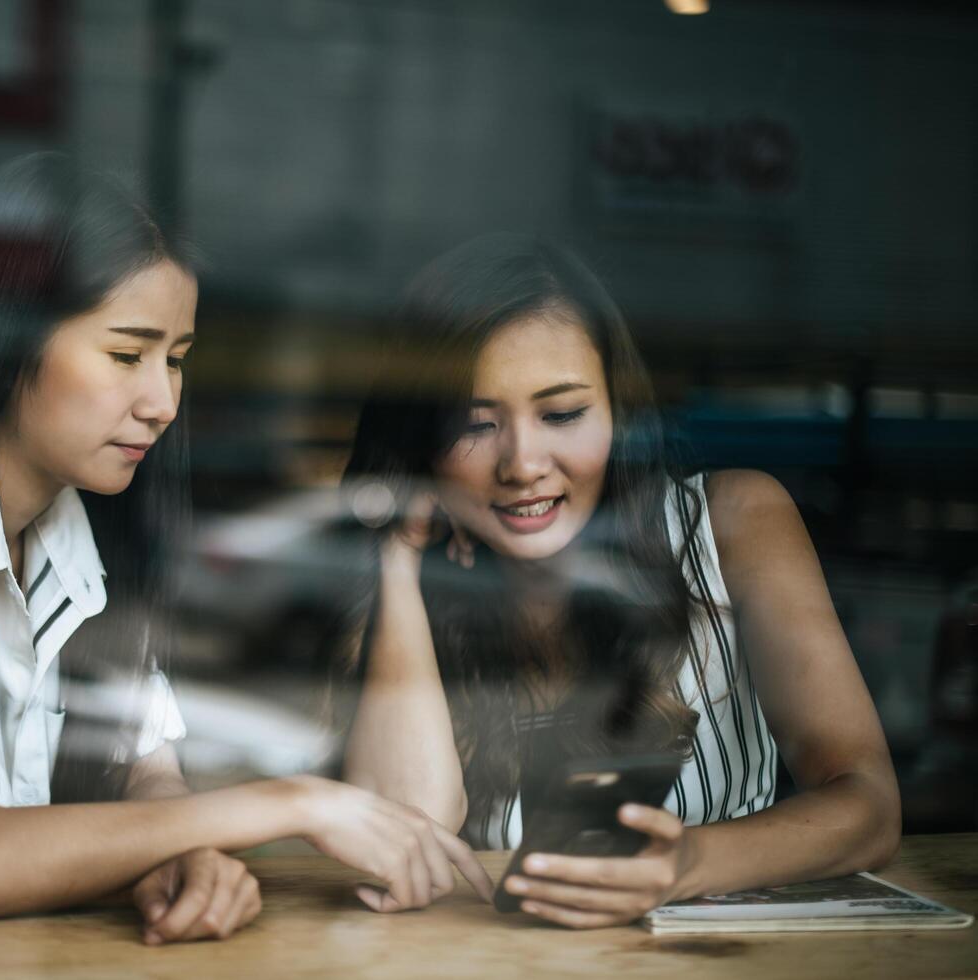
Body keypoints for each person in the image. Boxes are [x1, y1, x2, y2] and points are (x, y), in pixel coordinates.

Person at [0, 154, 493, 942]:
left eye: (175, 360)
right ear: (10, 344)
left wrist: (176, 851)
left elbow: (145, 766)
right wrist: (290, 802)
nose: (161, 403)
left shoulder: (79, 533)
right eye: (126, 355)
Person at [337, 236, 900, 929]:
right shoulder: (413, 584)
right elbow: (404, 835)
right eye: (472, 424)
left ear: (617, 414)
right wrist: (396, 554)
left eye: (562, 414)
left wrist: (686, 863)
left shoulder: (729, 523)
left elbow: (868, 804)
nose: (522, 463)